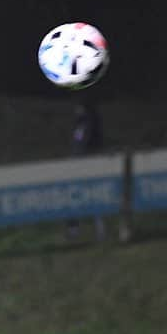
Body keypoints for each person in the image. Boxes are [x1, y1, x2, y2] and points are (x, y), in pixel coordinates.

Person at [66, 101, 106, 241]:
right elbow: (77, 142)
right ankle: (79, 230)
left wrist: (78, 158)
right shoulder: (81, 124)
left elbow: (81, 144)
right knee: (81, 197)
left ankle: (94, 230)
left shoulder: (88, 125)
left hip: (86, 166)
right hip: (81, 165)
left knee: (85, 196)